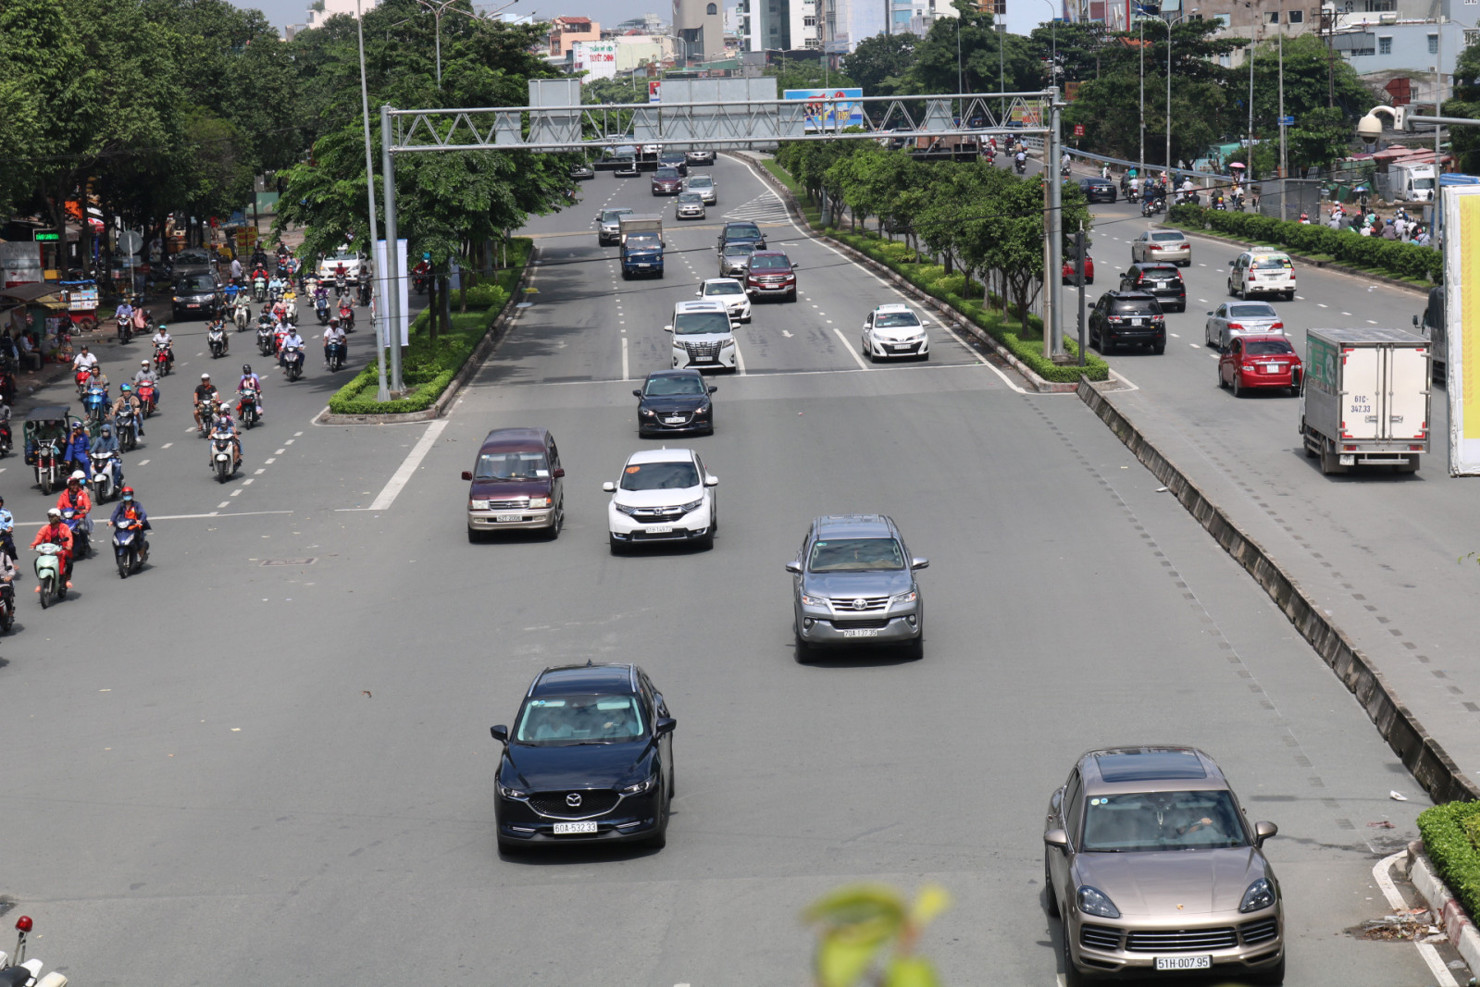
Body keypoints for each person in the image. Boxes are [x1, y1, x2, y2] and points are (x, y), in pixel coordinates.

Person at [30, 507, 74, 583]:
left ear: (58, 517)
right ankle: (41, 580)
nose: (51, 518)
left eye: (53, 516)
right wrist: (33, 545)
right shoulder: (45, 528)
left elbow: (69, 537)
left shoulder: (64, 527)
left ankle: (66, 576)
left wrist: (69, 546)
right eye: (49, 517)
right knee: (36, 562)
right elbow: (39, 537)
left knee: (69, 562)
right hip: (47, 551)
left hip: (60, 550)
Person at [109, 486, 151, 563]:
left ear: (132, 495)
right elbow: (115, 513)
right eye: (125, 495)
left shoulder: (137, 505)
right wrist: (111, 521)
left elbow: (143, 513)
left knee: (138, 541)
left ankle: (140, 553)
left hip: (134, 527)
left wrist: (140, 520)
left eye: (129, 495)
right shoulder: (121, 505)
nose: (127, 497)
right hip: (123, 527)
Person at [57, 470, 93, 550]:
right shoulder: (64, 495)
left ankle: (86, 543)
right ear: (69, 486)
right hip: (67, 518)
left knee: (83, 528)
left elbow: (87, 503)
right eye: (73, 485)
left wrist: (86, 509)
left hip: (79, 516)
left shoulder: (82, 493)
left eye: (76, 484)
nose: (75, 486)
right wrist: (58, 512)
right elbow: (59, 505)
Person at [210, 400, 242, 469]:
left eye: (224, 414)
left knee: (237, 446)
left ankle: (236, 461)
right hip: (219, 440)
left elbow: (233, 429)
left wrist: (235, 434)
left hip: (229, 440)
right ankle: (212, 460)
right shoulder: (218, 422)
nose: (222, 415)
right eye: (221, 414)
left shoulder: (230, 422)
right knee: (212, 444)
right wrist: (211, 435)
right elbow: (213, 429)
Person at [0, 493, 15, 562]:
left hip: (4, 534)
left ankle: (12, 562)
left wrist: (9, 529)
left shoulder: (6, 512)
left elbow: (10, 522)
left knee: (11, 547)